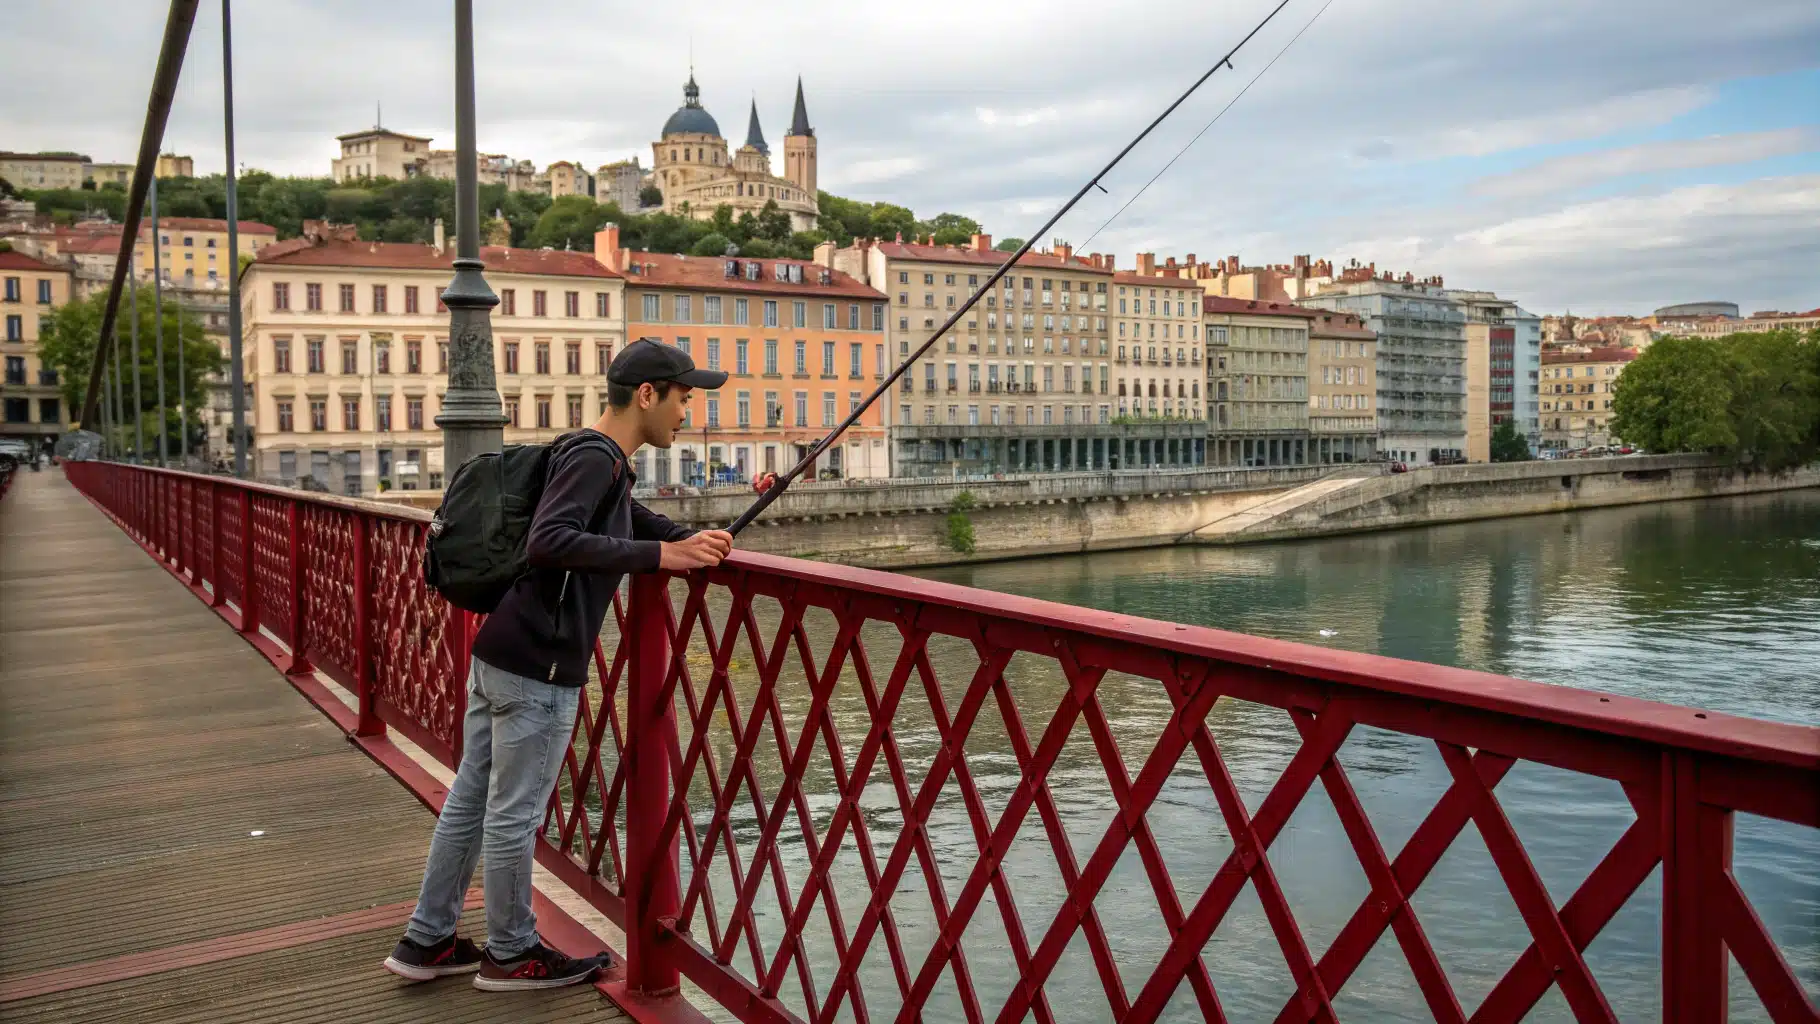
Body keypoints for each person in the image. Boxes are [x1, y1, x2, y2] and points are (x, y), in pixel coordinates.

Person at [384, 339, 733, 990]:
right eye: (684, 396)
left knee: (469, 799)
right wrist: (665, 560)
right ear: (648, 395)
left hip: (503, 651)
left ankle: (426, 939)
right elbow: (551, 541)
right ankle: (513, 953)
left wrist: (683, 539)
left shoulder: (587, 451)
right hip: (538, 666)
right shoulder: (597, 459)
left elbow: (623, 517)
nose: (690, 409)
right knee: (514, 815)